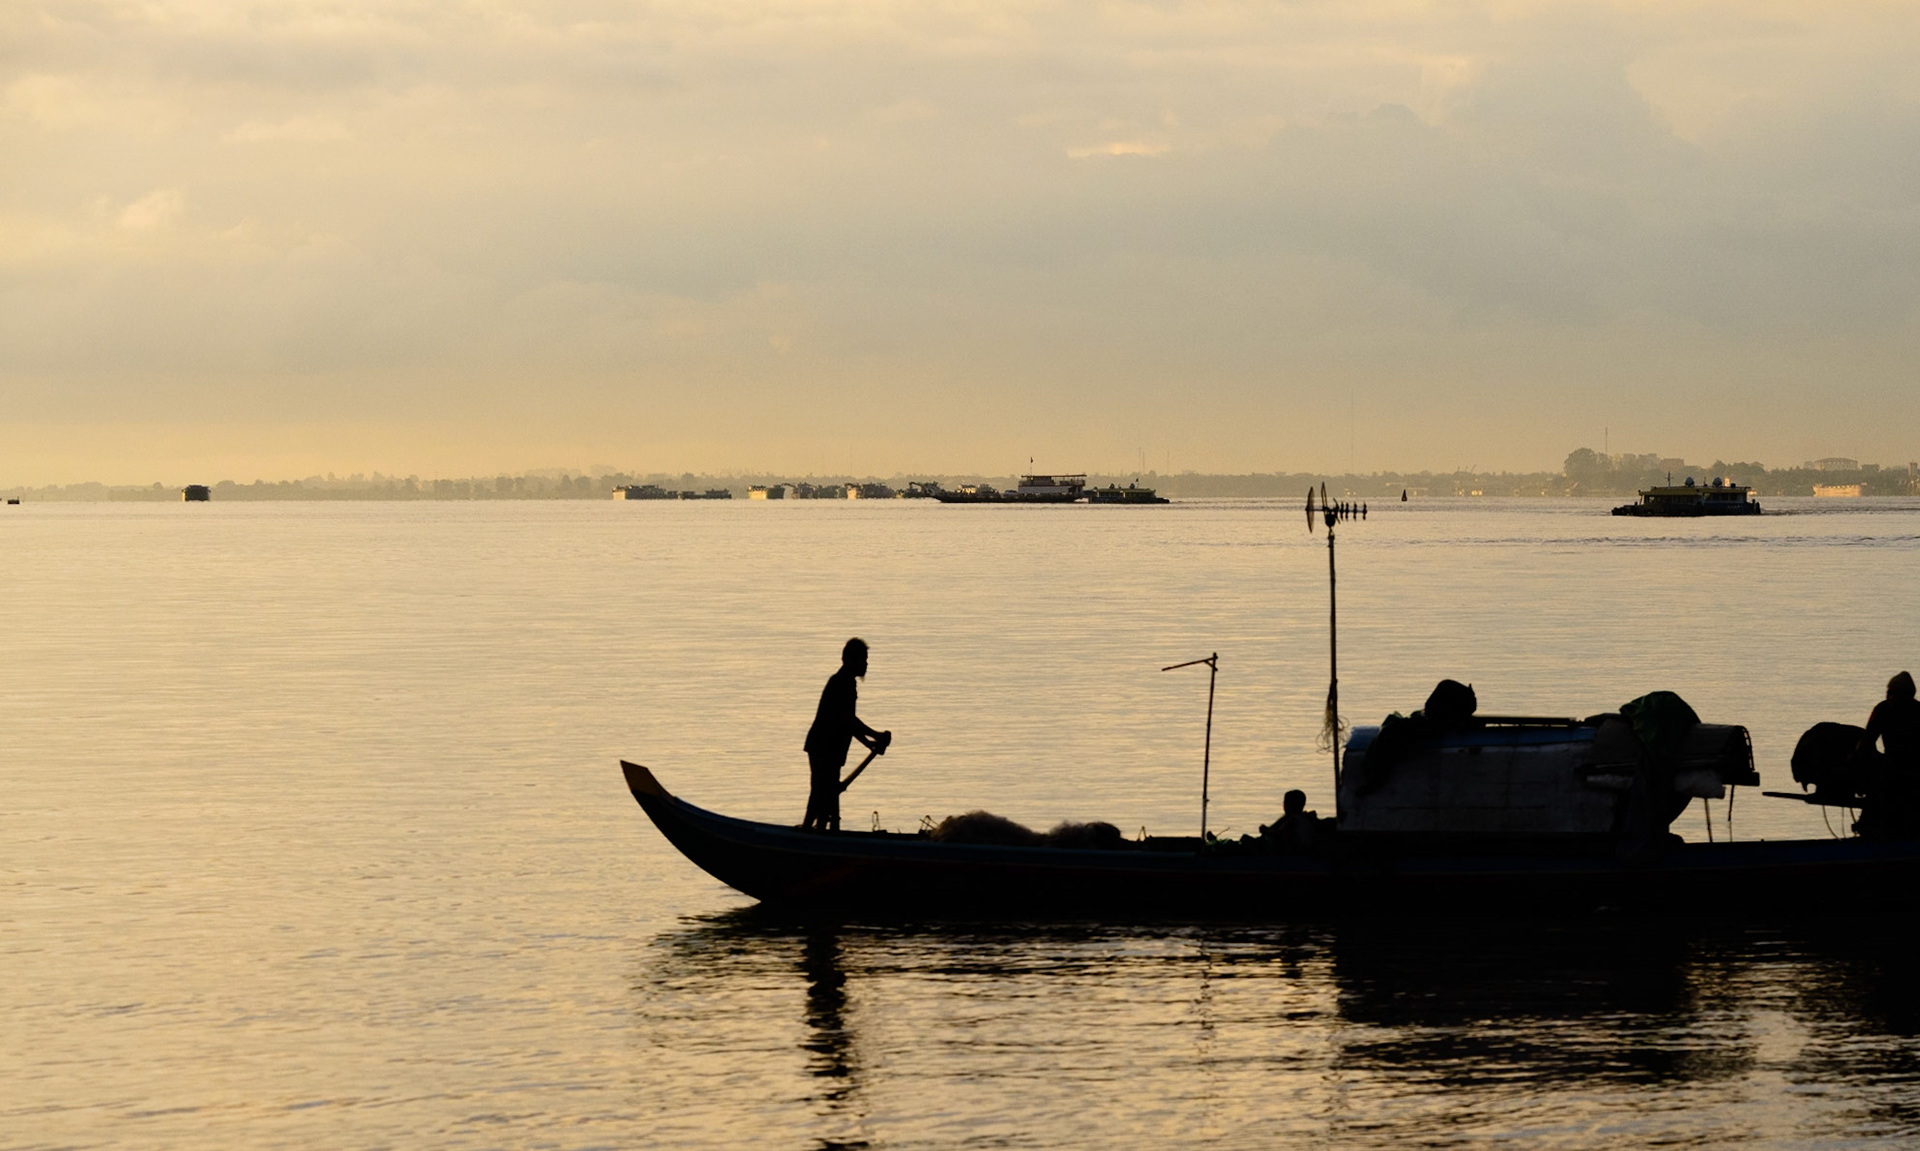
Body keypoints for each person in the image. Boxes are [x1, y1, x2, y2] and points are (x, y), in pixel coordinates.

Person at [801, 638, 891, 832]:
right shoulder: (842, 683)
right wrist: (875, 737)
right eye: (863, 660)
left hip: (831, 749)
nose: (866, 664)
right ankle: (810, 832)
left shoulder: (847, 683)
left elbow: (849, 724)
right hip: (823, 747)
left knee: (829, 793)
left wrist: (871, 742)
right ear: (850, 660)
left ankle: (826, 832)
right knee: (822, 791)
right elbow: (848, 719)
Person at [1857, 672, 1920, 839]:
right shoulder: (1911, 710)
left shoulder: (1884, 709)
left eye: (1891, 692)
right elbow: (1866, 743)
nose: (1888, 696)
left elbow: (1865, 743)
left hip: (1896, 772)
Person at [1257, 789, 1321, 853]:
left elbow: (1278, 834)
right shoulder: (1294, 818)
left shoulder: (1294, 820)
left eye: (1286, 803)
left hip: (1288, 853)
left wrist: (1265, 830)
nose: (1284, 806)